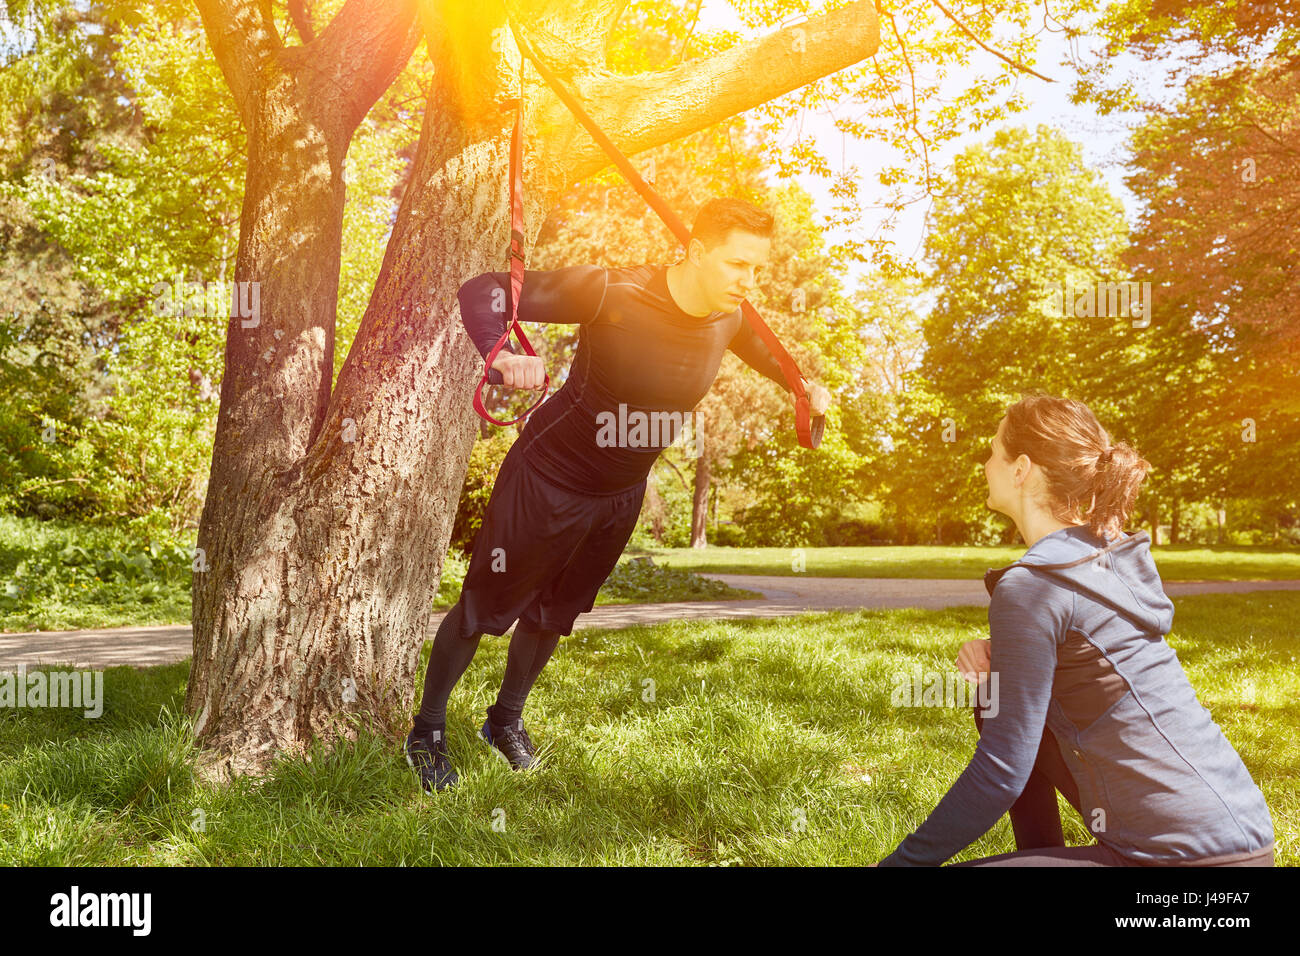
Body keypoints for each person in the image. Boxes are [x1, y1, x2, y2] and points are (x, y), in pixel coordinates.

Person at [404, 197, 832, 792]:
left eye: (757, 270)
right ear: (697, 251)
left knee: (555, 615)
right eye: (738, 265)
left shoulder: (731, 316)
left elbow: (765, 352)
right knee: (483, 611)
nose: (749, 282)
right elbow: (485, 290)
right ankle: (426, 731)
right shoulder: (612, 291)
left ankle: (504, 722)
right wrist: (499, 352)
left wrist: (801, 387)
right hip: (548, 478)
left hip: (620, 494)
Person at [877, 393, 1275, 866]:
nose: (985, 464)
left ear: (1021, 468)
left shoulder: (1032, 586)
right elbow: (1085, 653)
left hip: (1178, 863)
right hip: (1246, 843)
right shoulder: (1101, 556)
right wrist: (1004, 653)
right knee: (995, 696)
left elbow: (1000, 773)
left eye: (991, 452)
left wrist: (898, 865)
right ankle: (1043, 854)